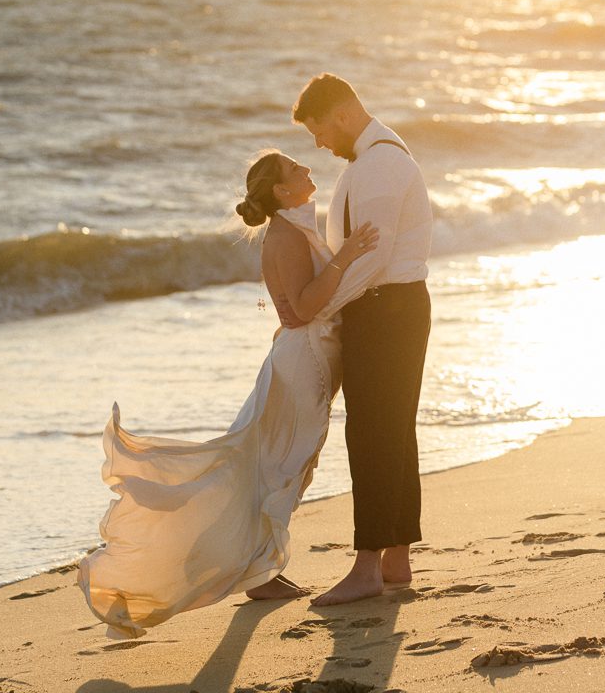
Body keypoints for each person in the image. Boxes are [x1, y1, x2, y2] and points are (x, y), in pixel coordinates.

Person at [77, 150, 378, 638]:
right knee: (280, 465)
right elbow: (300, 311)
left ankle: (258, 568)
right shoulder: (286, 236)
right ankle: (251, 572)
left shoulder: (293, 229)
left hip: (304, 357)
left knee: (278, 464)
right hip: (303, 360)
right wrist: (348, 255)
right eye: (296, 169)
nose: (306, 170)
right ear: (282, 191)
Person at [291, 73, 433, 606]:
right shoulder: (378, 157)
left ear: (344, 114)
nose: (320, 143)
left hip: (386, 310)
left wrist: (317, 307)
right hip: (394, 308)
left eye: (320, 130)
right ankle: (396, 557)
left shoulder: (379, 164)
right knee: (393, 431)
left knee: (373, 435)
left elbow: (371, 257)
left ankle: (367, 566)